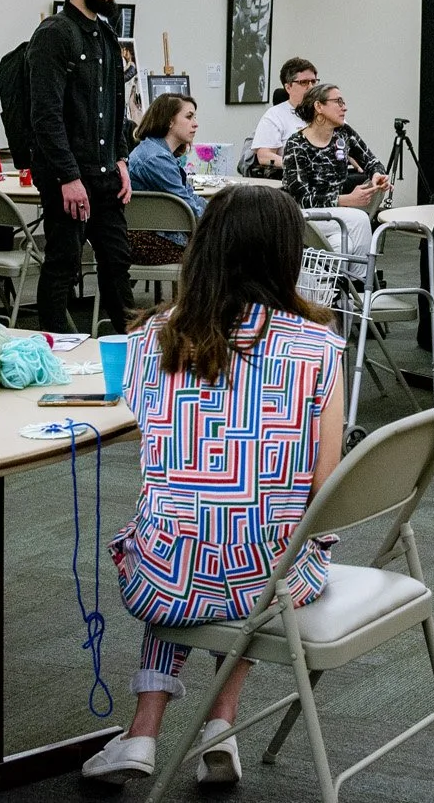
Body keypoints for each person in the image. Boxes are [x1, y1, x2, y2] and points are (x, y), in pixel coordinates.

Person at [83, 185, 343, 786]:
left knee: (185, 530)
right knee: (256, 538)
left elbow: (148, 435)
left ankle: (143, 733)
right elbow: (325, 490)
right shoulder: (320, 347)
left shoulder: (151, 339)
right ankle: (219, 727)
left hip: (161, 579)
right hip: (270, 584)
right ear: (286, 255)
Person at [28, 0, 135, 334]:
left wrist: (122, 159)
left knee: (116, 261)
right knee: (64, 262)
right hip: (67, 175)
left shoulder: (105, 32)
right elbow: (46, 115)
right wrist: (68, 177)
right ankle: (54, 344)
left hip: (105, 170)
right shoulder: (54, 34)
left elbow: (116, 105)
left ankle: (130, 344)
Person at [281, 82, 389, 266]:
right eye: (338, 102)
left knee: (342, 244)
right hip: (305, 216)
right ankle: (362, 285)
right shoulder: (297, 144)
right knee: (360, 219)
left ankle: (337, 291)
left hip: (335, 215)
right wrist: (344, 200)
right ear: (319, 107)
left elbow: (372, 162)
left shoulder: (343, 134)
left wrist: (377, 175)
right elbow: (302, 198)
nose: (344, 107)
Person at [125, 92, 207, 268]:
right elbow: (189, 208)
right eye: (189, 117)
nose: (195, 124)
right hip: (147, 242)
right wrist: (221, 221)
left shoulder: (156, 152)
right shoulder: (156, 159)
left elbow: (188, 197)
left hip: (151, 237)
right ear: (169, 121)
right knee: (229, 247)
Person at [246, 57, 317, 173]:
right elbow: (264, 156)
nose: (311, 87)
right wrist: (301, 166)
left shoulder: (326, 110)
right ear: (288, 87)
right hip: (296, 176)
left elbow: (349, 143)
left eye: (313, 82)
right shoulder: (275, 115)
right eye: (304, 82)